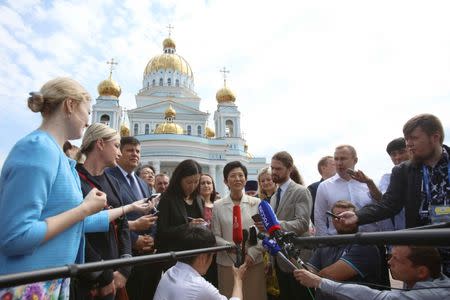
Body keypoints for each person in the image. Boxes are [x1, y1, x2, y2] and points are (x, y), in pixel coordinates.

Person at [0, 78, 108, 298]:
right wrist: (84, 209)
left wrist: (121, 211)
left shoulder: (55, 155)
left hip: (50, 282)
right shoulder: (38, 149)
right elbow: (15, 236)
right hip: (25, 286)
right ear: (70, 105)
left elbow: (67, 220)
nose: (88, 121)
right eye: (87, 111)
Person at [339, 114, 450, 276]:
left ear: (435, 137)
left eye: (414, 138)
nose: (408, 144)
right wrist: (357, 216)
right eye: (407, 139)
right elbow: (389, 204)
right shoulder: (403, 171)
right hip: (423, 255)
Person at [74, 123, 152, 299]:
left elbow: (122, 224)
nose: (119, 152)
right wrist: (104, 275)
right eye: (116, 146)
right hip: (89, 277)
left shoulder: (113, 183)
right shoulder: (75, 178)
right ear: (100, 144)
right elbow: (77, 231)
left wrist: (124, 268)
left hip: (116, 274)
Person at [106, 136, 158, 299]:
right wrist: (134, 239)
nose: (135, 154)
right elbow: (109, 216)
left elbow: (151, 213)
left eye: (137, 151)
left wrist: (151, 238)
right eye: (129, 150)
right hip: (121, 255)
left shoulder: (143, 183)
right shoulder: (108, 176)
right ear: (119, 153)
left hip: (145, 255)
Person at [294, 246, 450, 299]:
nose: (389, 262)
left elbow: (373, 296)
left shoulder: (431, 294)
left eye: (396, 259)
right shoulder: (423, 281)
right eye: (390, 256)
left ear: (421, 271)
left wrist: (318, 282)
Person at [258, 151, 312, 300]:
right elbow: (274, 233)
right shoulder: (274, 196)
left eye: (278, 169)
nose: (274, 172)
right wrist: (270, 259)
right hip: (280, 260)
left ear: (290, 169)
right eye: (272, 168)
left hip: (297, 258)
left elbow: (302, 223)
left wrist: (274, 225)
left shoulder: (301, 191)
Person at [212, 161, 267, 300]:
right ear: (225, 181)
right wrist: (229, 246)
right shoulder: (218, 206)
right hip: (228, 264)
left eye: (241, 175)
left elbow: (264, 234)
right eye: (233, 176)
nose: (237, 179)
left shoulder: (257, 203)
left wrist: (252, 254)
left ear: (246, 179)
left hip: (253, 262)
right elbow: (215, 235)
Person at [307, 200, 382, 300]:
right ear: (333, 220)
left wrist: (308, 276)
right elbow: (309, 270)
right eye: (338, 216)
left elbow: (328, 275)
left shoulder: (365, 245)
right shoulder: (327, 243)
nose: (344, 220)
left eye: (348, 216)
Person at [154, 225, 248, 300]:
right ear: (202, 257)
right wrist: (238, 279)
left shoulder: (170, 272)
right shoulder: (199, 286)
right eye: (211, 255)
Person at [314, 145, 382, 236]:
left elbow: (381, 206)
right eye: (336, 159)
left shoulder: (368, 183)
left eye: (343, 159)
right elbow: (319, 218)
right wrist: (325, 243)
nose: (339, 163)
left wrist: (370, 184)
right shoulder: (324, 186)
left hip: (370, 239)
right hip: (338, 242)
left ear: (355, 160)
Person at [156, 159, 205, 254]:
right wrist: (188, 227)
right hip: (174, 254)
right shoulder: (167, 199)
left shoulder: (199, 199)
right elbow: (162, 232)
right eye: (189, 182)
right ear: (179, 180)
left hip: (195, 253)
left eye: (196, 181)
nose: (192, 186)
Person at [378, 137, 410, 231]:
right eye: (393, 154)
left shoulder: (425, 173)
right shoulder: (386, 179)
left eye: (402, 152)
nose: (398, 157)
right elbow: (386, 202)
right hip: (398, 235)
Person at [257, 166, 280, 299]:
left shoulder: (280, 197)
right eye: (262, 181)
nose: (265, 183)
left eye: (268, 179)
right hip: (267, 247)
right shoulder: (261, 201)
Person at [195, 173, 219, 287]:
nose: (206, 185)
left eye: (208, 183)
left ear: (213, 186)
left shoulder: (218, 205)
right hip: (200, 252)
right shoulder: (193, 205)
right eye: (202, 183)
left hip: (217, 251)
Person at [307, 156, 336, 223]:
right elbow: (314, 214)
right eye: (334, 164)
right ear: (323, 168)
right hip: (326, 230)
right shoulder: (313, 188)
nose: (338, 166)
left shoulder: (342, 185)